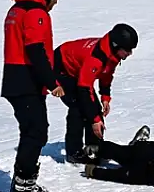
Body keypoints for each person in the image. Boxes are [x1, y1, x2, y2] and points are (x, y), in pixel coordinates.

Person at [1, 0, 66, 192]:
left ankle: (24, 184)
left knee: (33, 131)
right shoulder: (35, 12)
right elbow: (35, 49)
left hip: (16, 76)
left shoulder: (17, 9)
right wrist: (52, 83)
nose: (56, 1)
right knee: (36, 132)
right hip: (26, 78)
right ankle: (23, 189)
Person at [55, 23, 138, 163]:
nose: (130, 53)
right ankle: (73, 152)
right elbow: (83, 89)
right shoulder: (96, 58)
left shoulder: (112, 54)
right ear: (116, 45)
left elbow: (106, 74)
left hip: (78, 73)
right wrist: (95, 119)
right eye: (128, 50)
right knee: (78, 108)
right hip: (61, 68)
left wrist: (105, 97)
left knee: (93, 110)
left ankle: (93, 148)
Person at [84, 127, 154, 186]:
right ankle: (140, 142)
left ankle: (97, 149)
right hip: (149, 148)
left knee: (117, 151)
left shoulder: (143, 175)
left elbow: (117, 175)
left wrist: (93, 172)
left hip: (133, 156)